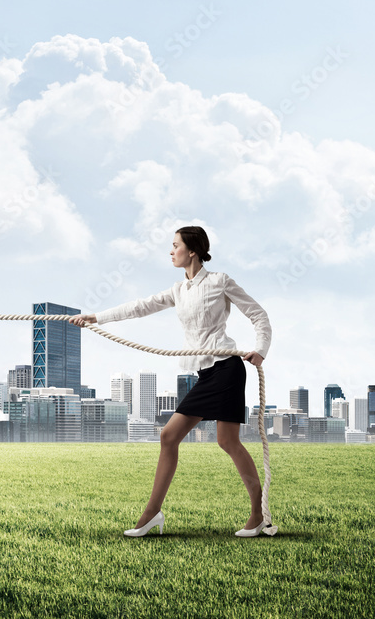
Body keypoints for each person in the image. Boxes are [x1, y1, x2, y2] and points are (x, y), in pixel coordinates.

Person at [68, 226, 271, 538]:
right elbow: (140, 306)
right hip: (205, 374)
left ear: (192, 250)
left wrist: (260, 349)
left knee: (226, 441)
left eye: (175, 245)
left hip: (228, 368)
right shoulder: (178, 290)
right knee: (169, 436)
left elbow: (258, 315)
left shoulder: (220, 281)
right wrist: (96, 317)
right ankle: (153, 514)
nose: (171, 251)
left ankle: (258, 515)